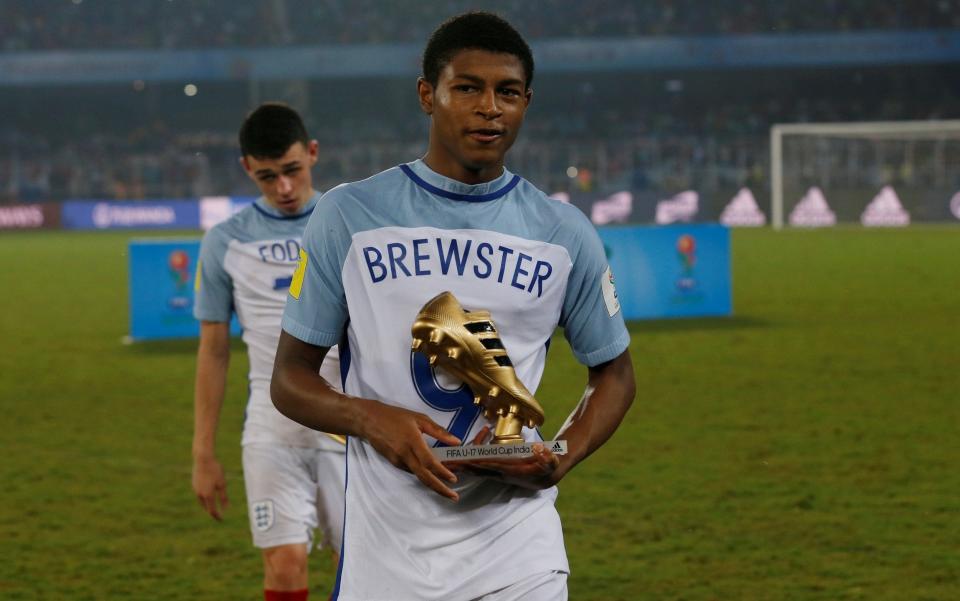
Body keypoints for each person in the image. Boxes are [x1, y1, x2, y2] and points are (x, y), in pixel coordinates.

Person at [271, 12, 635, 601]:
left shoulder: (563, 232)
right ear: (427, 95)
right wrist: (371, 418)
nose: (489, 107)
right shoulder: (348, 216)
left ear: (525, 103)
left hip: (519, 553)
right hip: (386, 558)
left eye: (507, 92)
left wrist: (560, 455)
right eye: (468, 88)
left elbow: (614, 373)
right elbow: (288, 380)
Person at [191, 102, 345, 601]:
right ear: (246, 169)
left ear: (314, 154)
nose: (282, 188)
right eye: (266, 176)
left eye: (292, 171)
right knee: (284, 566)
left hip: (349, 425)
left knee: (362, 568)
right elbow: (214, 352)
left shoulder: (348, 227)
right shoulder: (224, 242)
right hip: (271, 427)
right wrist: (203, 451)